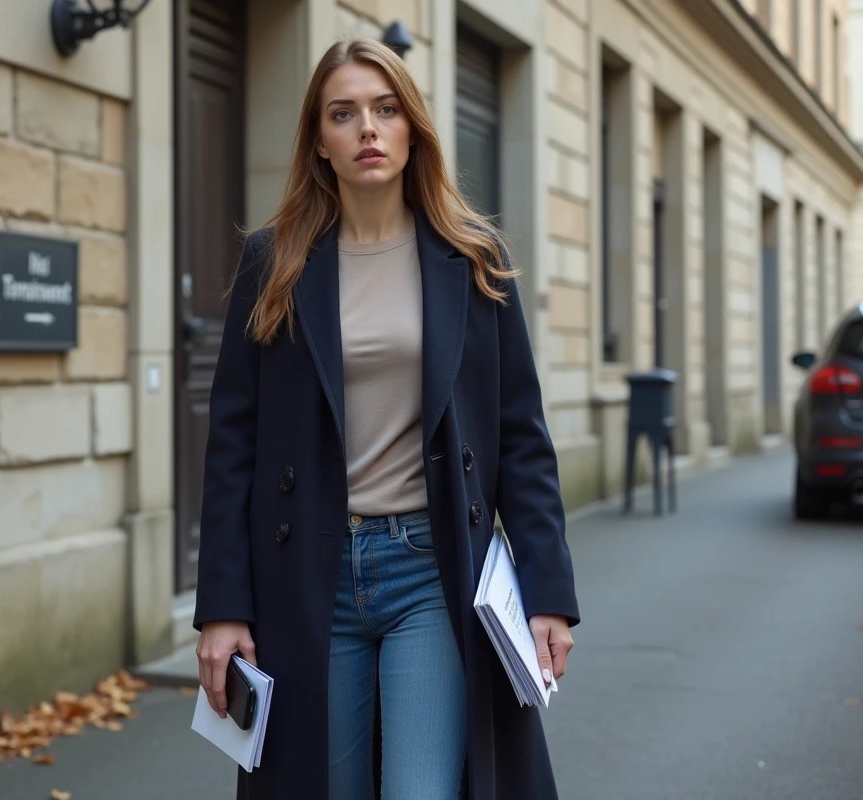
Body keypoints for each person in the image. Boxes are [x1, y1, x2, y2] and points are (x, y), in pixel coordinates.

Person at [193, 37, 580, 800]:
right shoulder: (276, 264)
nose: (367, 128)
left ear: (412, 130)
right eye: (344, 114)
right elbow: (232, 445)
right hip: (308, 574)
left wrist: (548, 595)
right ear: (321, 144)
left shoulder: (471, 257)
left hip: (429, 573)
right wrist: (223, 608)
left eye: (385, 108)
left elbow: (520, 438)